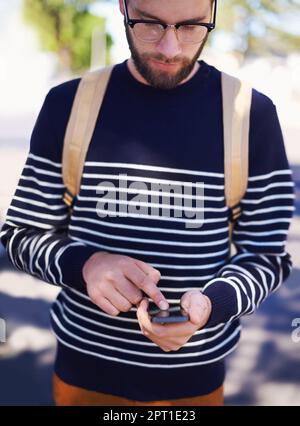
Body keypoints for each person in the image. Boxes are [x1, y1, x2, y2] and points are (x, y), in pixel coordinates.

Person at [0, 0, 295, 406]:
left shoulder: (251, 114)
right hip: (83, 377)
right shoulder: (68, 105)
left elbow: (267, 256)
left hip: (195, 383)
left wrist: (214, 303)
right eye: (150, 24)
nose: (171, 49)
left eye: (192, 26)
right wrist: (85, 264)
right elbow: (20, 235)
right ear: (123, 6)